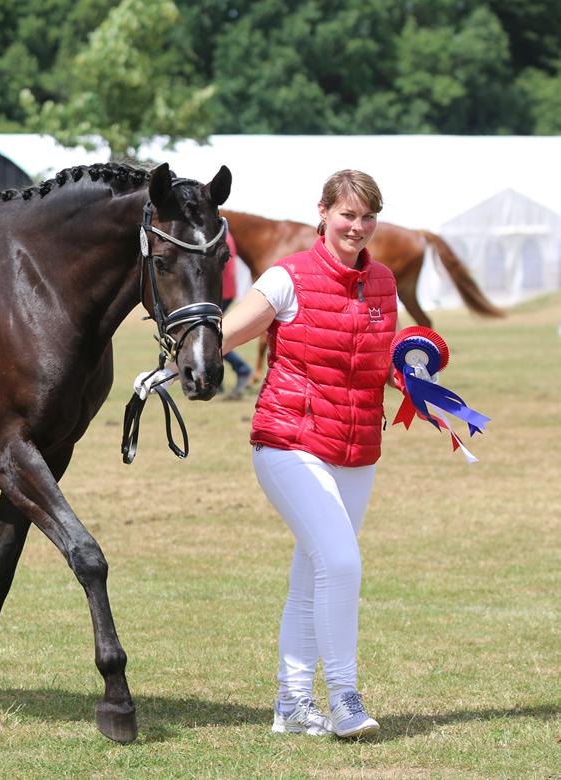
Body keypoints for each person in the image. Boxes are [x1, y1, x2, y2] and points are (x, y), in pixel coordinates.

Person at [220, 170, 397, 740]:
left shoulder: (385, 283)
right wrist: (172, 363)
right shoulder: (286, 277)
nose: (358, 226)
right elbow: (223, 335)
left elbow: (375, 362)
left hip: (358, 447)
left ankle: (292, 704)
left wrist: (418, 383)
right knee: (342, 563)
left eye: (368, 216)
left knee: (313, 574)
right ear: (322, 212)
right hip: (289, 442)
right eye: (348, 215)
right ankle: (344, 697)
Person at [221, 231, 253, 399]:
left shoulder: (218, 231)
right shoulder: (224, 231)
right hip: (225, 291)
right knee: (207, 335)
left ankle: (242, 368)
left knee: (207, 337)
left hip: (220, 292)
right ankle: (214, 383)